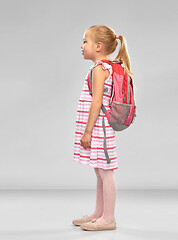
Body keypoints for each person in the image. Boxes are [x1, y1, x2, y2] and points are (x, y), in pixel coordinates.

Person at [72, 25, 134, 231]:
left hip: (100, 130)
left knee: (106, 172)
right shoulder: (100, 68)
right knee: (99, 171)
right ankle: (98, 213)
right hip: (98, 129)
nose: (81, 46)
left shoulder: (100, 69)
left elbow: (96, 102)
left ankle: (109, 218)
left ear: (98, 46)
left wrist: (87, 131)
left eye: (85, 42)